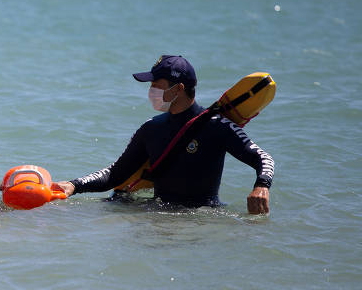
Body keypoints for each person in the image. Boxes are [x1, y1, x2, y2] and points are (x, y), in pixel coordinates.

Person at [53, 55, 274, 214]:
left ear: (178, 89)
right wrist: (74, 185)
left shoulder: (217, 126)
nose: (151, 91)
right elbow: (116, 173)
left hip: (202, 217)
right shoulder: (151, 128)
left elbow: (263, 159)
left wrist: (261, 186)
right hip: (156, 212)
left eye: (156, 85)